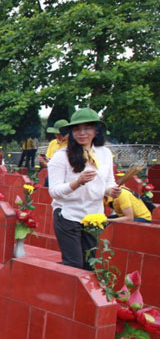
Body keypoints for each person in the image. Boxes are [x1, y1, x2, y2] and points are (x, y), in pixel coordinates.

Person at [48, 108, 120, 270]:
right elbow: (54, 191)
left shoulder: (105, 153)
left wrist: (111, 191)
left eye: (87, 128)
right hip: (68, 215)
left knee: (91, 265)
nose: (82, 133)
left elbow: (108, 182)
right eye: (77, 129)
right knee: (74, 265)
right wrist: (77, 182)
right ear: (71, 132)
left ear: (96, 131)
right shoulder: (61, 156)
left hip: (94, 217)